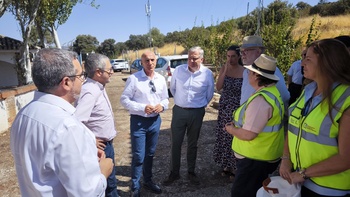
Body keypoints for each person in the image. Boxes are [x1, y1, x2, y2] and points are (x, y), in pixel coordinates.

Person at [10, 48, 113, 197]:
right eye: (81, 76)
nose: (83, 81)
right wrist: (103, 172)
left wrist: (86, 151)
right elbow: (87, 194)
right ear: (66, 82)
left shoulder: (23, 114)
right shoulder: (67, 127)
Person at [279, 39, 350, 197]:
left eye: (308, 59)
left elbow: (346, 158)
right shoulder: (308, 91)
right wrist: (286, 158)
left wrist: (304, 174)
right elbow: (293, 128)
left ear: (327, 63)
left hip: (329, 189)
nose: (302, 63)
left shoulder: (346, 98)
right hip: (300, 181)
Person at [225, 54, 285, 197]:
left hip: (254, 159)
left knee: (242, 193)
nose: (248, 74)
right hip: (262, 156)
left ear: (257, 76)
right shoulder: (271, 92)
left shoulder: (260, 100)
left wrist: (231, 129)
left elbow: (249, 134)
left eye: (250, 72)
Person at [163, 46, 215, 186]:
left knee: (193, 144)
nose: (191, 61)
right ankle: (174, 173)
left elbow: (209, 93)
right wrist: (182, 102)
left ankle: (191, 172)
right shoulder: (179, 71)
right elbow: (172, 89)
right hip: (179, 111)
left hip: (197, 112)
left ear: (202, 59)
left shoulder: (207, 74)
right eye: (189, 58)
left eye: (194, 58)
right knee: (176, 143)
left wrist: (200, 105)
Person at [120, 51, 169, 197]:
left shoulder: (160, 79)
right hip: (139, 122)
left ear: (156, 61)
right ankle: (135, 186)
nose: (150, 63)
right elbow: (124, 99)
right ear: (142, 63)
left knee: (150, 154)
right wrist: (142, 107)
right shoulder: (134, 79)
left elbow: (165, 98)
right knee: (138, 155)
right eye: (146, 60)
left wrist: (162, 106)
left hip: (155, 121)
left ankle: (148, 180)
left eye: (153, 60)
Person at [74, 53, 118, 197]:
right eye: (109, 70)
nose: (112, 72)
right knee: (108, 185)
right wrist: (92, 140)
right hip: (100, 148)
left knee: (110, 182)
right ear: (99, 72)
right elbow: (76, 121)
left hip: (106, 145)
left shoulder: (98, 86)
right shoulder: (90, 91)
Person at [213, 45, 244, 179]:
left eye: (233, 56)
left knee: (235, 137)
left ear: (239, 57)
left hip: (237, 108)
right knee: (224, 136)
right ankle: (226, 165)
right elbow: (219, 87)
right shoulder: (224, 69)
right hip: (225, 108)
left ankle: (235, 167)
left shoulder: (245, 71)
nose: (230, 59)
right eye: (228, 56)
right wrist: (224, 71)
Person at [239, 35, 289, 106]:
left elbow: (284, 97)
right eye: (242, 51)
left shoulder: (270, 71)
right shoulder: (245, 72)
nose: (243, 54)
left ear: (258, 51)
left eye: (246, 50)